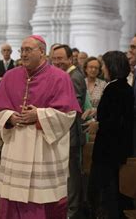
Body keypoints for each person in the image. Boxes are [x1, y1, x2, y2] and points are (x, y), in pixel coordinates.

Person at [0, 35, 81, 219]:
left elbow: (68, 115)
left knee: (43, 199)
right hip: (17, 145)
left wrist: (38, 115)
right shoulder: (10, 76)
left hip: (44, 149)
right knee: (13, 197)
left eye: (28, 50)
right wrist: (10, 118)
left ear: (42, 52)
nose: (23, 54)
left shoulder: (60, 78)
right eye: (21, 50)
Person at [87, 51, 134, 219]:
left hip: (109, 149)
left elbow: (115, 120)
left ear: (112, 67)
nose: (102, 68)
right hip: (117, 147)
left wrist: (99, 123)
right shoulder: (123, 86)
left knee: (107, 191)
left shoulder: (114, 88)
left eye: (104, 65)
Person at [52, 44, 86, 219]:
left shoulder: (74, 77)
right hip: (64, 133)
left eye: (60, 59)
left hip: (71, 135)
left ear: (70, 59)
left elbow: (74, 107)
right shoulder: (66, 75)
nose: (57, 62)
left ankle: (72, 213)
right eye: (54, 59)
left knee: (72, 178)